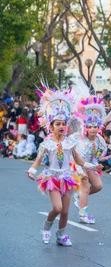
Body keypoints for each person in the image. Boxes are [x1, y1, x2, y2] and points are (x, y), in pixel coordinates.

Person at [26, 85, 102, 246]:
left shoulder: (70, 142)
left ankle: (61, 236)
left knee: (66, 211)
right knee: (58, 208)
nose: (61, 126)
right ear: (51, 126)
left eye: (63, 124)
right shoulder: (47, 144)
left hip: (67, 178)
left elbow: (79, 161)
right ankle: (46, 228)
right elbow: (37, 162)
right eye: (58, 124)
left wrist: (92, 167)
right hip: (53, 178)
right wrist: (32, 171)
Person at [74, 94, 109, 225]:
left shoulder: (100, 139)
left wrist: (98, 164)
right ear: (85, 128)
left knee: (98, 186)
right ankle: (83, 214)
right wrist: (79, 169)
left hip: (90, 165)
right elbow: (74, 155)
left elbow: (97, 155)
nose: (93, 129)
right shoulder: (79, 139)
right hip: (78, 165)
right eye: (90, 127)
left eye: (95, 126)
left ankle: (78, 196)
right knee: (85, 188)